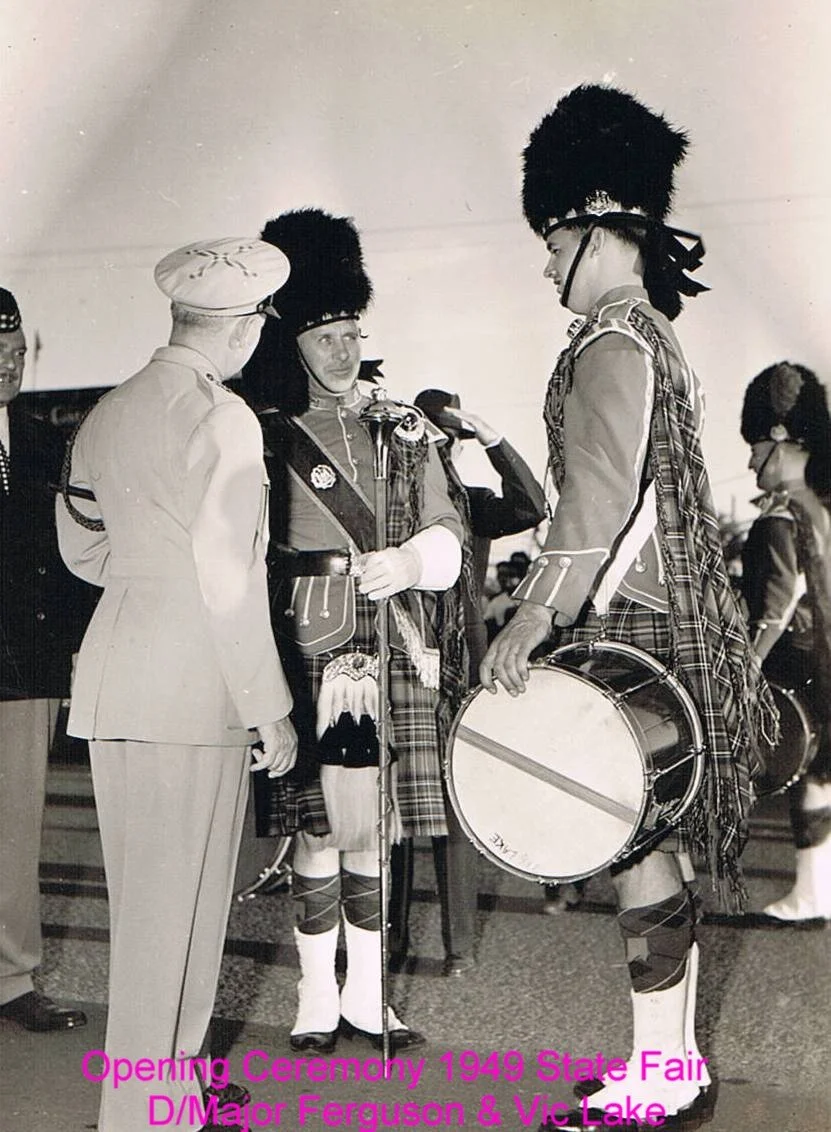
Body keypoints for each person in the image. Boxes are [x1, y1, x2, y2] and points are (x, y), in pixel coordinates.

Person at [480, 85, 775, 1130]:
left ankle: (663, 1078)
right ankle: (669, 1064)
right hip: (670, 613)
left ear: (594, 223)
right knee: (653, 849)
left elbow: (595, 504)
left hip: (629, 624)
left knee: (639, 850)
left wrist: (530, 618)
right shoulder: (651, 334)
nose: (543, 255)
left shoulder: (612, 343)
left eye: (550, 233)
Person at [56, 237, 298, 1132]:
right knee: (186, 919)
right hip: (195, 689)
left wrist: (140, 576)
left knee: (149, 914)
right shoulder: (225, 418)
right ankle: (144, 1116)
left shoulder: (107, 412)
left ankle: (167, 1103)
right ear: (241, 328)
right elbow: (229, 573)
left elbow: (80, 548)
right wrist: (268, 707)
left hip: (117, 676)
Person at [245, 208, 465, 1053]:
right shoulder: (264, 431)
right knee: (316, 829)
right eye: (324, 333)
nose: (342, 349)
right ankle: (312, 997)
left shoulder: (402, 424)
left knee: (373, 827)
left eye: (350, 331)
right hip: (303, 646)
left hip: (385, 633)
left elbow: (451, 533)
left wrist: (409, 562)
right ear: (290, 340)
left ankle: (368, 997)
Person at [388, 388, 546, 974]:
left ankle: (460, 947)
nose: (439, 448)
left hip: (465, 651)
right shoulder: (394, 499)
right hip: (406, 646)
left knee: (454, 802)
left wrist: (495, 441)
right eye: (431, 435)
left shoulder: (472, 501)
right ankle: (392, 942)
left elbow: (531, 506)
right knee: (400, 797)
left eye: (448, 438)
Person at [0, 287, 90, 1033]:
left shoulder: (41, 440)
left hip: (22, 668)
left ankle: (12, 979)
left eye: (17, 349)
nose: (7, 363)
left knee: (16, 826)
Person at [740, 361, 831, 920]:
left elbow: (772, 612)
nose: (749, 461)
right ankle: (815, 890)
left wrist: (747, 670)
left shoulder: (779, 517)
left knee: (809, 778)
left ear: (777, 436)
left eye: (754, 445)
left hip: (807, 661)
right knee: (825, 779)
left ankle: (811, 893)